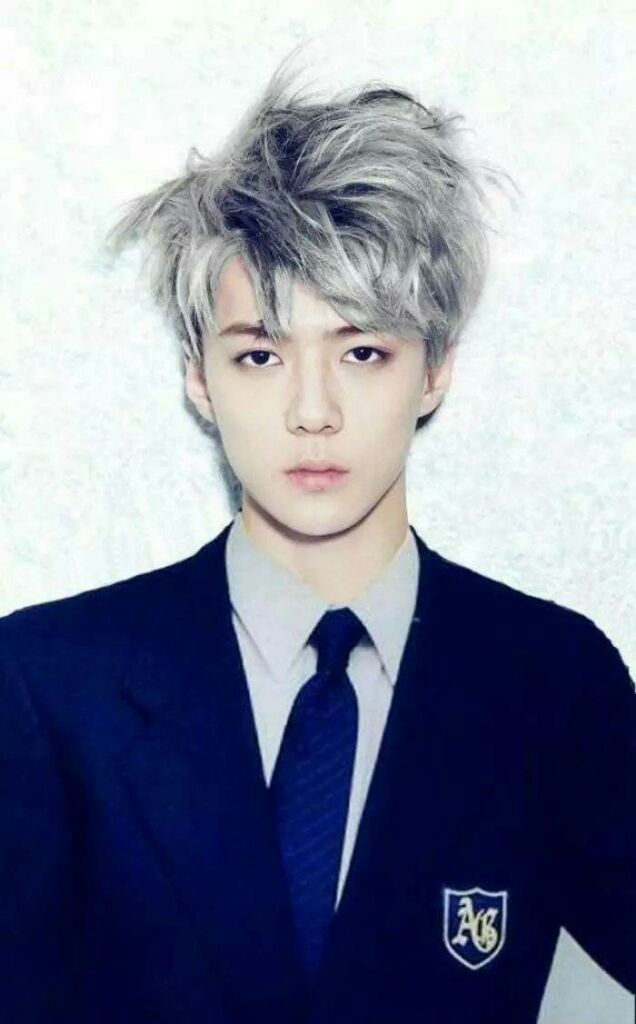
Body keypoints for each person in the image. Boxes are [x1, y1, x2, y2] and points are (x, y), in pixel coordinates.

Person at [0, 59, 634, 1024]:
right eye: (260, 354)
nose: (312, 410)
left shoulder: (554, 681)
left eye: (363, 351)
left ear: (434, 370)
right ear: (200, 377)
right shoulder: (47, 683)